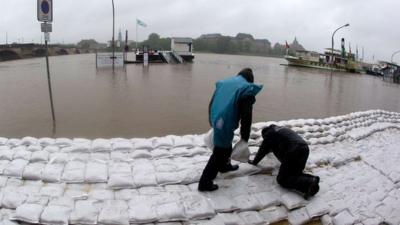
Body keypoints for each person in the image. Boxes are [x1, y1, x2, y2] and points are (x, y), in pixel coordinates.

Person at [198, 68, 263, 192]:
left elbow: (211, 103)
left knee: (226, 144)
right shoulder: (246, 89)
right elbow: (246, 116)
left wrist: (212, 120)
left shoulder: (225, 83)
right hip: (224, 120)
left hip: (215, 116)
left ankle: (224, 166)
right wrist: (244, 137)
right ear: (250, 80)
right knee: (222, 151)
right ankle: (204, 182)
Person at [248, 124, 320, 199]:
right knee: (295, 174)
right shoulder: (280, 129)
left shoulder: (269, 135)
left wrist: (254, 162)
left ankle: (310, 181)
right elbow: (275, 146)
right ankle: (312, 186)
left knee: (282, 179)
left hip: (294, 150)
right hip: (304, 149)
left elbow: (263, 150)